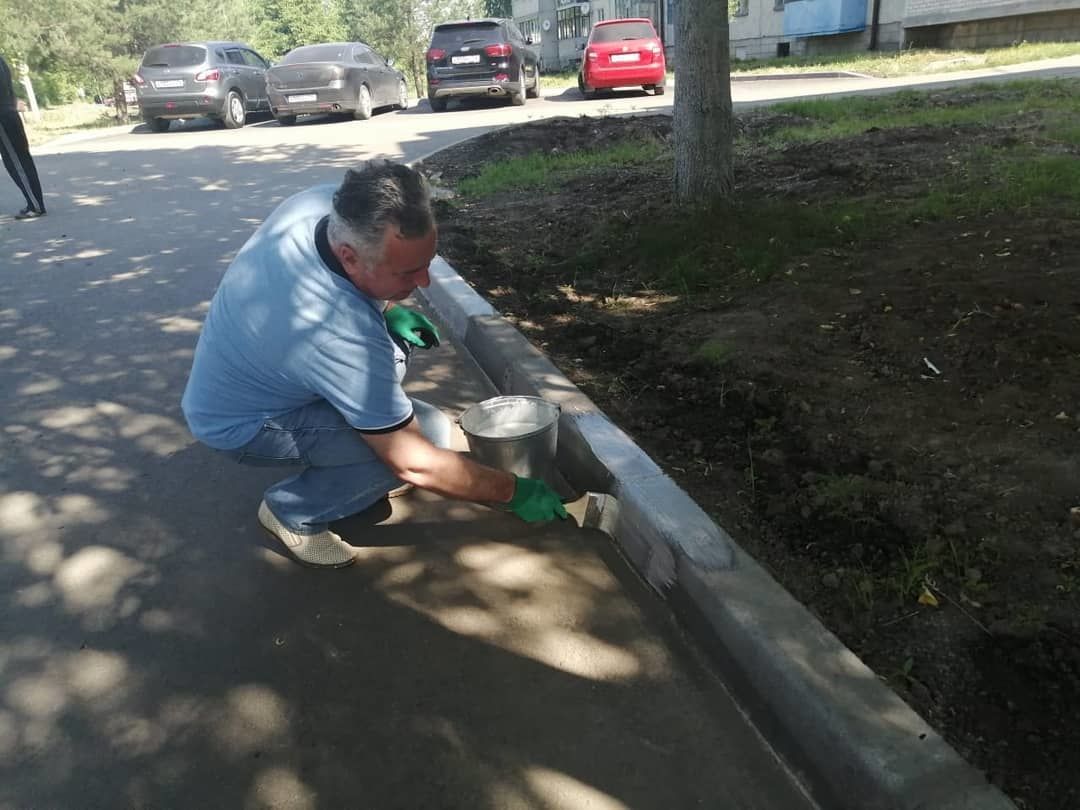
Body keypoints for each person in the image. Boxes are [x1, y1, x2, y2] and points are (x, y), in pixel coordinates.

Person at [181, 161, 567, 568]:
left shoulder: (322, 206)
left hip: (258, 378)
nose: (424, 283)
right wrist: (512, 491)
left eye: (427, 262)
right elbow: (413, 461)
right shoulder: (335, 335)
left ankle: (357, 465)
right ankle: (292, 511)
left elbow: (350, 301)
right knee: (427, 441)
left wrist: (383, 312)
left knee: (413, 407)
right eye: (407, 271)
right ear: (349, 256)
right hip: (246, 425)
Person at [0, 54, 45, 219]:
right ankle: (34, 203)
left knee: (17, 162)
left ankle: (35, 205)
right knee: (21, 160)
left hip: (3, 117)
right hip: (9, 114)